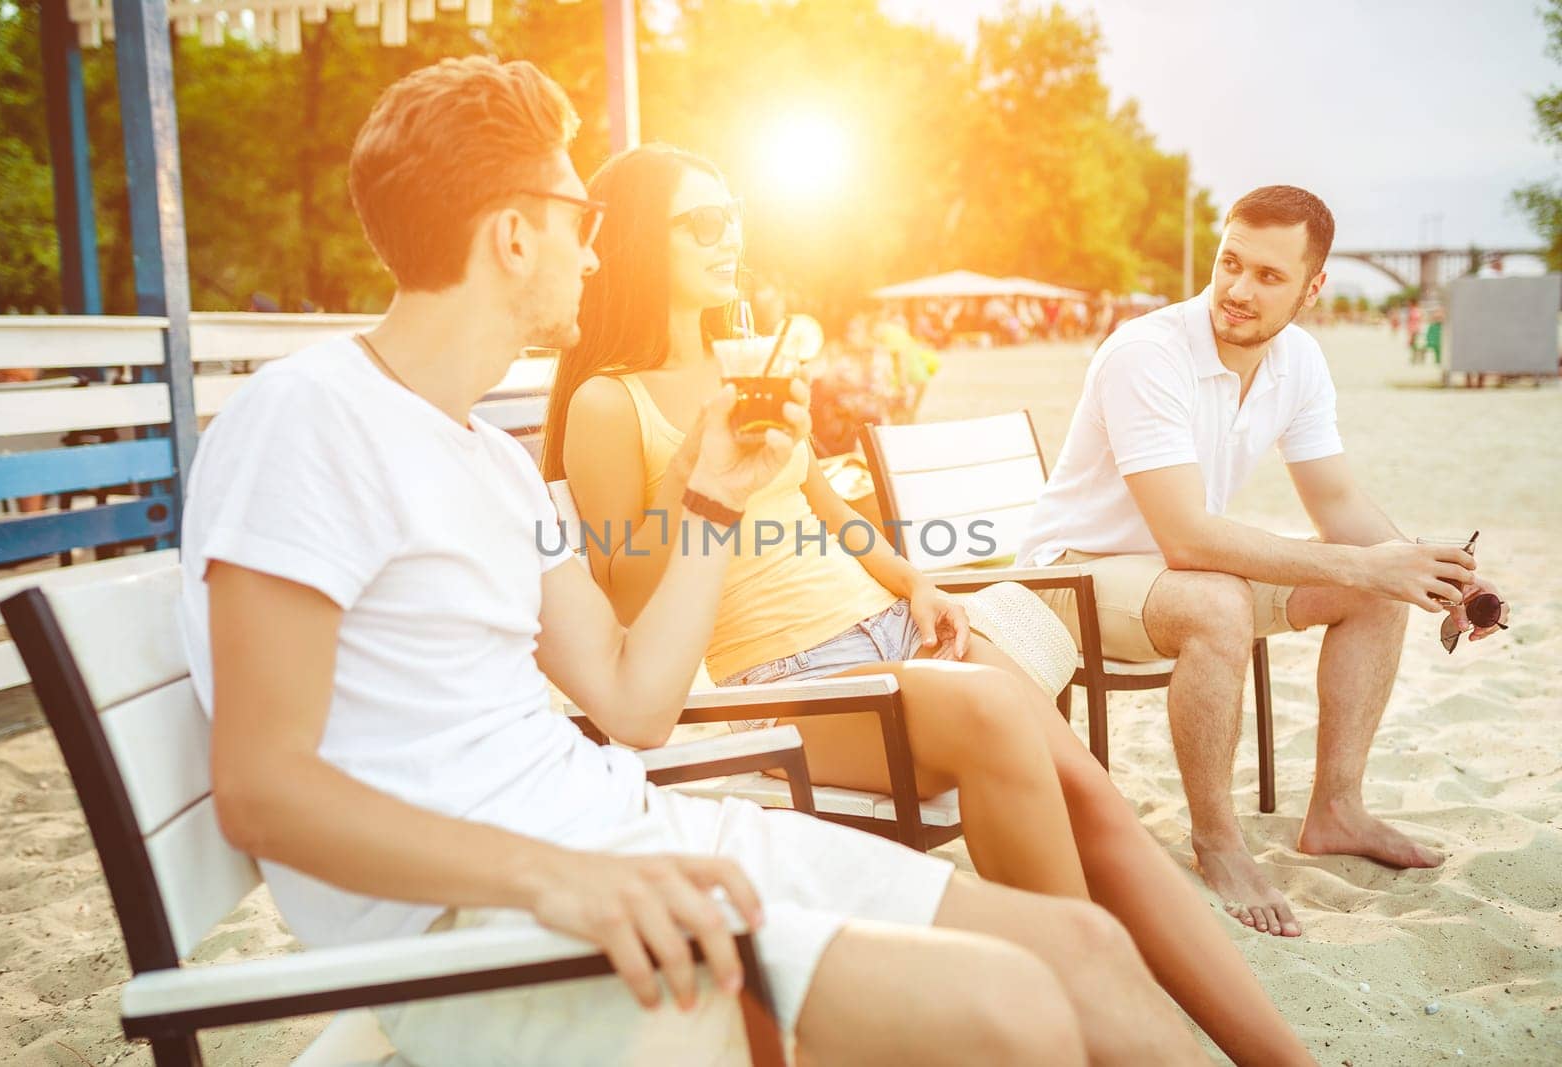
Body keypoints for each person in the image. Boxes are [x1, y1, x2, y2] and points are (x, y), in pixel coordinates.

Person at [181, 56, 1218, 1066]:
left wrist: (711, 498)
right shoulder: (309, 416)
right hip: (483, 928)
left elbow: (634, 703)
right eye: (578, 224)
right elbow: (265, 788)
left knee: (1084, 949)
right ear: (508, 235)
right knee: (1016, 1009)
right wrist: (556, 877)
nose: (594, 255)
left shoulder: (489, 463)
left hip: (623, 831)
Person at [543, 144, 1311, 1066]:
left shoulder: (739, 362)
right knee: (995, 710)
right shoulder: (606, 403)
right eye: (700, 222)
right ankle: (1098, 1019)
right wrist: (692, 468)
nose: (729, 236)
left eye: (734, 213)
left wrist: (919, 584)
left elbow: (830, 512)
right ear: (635, 242)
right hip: (790, 680)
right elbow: (628, 591)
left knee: (1093, 797)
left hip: (892, 632)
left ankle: (1282, 1058)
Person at [1016, 185, 1504, 939]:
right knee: (1223, 599)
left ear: (1313, 288)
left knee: (1370, 586)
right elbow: (1184, 535)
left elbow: (1337, 501)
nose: (1238, 291)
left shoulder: (1299, 360)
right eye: (1230, 264)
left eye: (1269, 277)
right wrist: (1366, 563)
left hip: (1180, 576)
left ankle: (1337, 810)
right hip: (1071, 575)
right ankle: (1218, 842)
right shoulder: (1147, 353)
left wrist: (1430, 574)